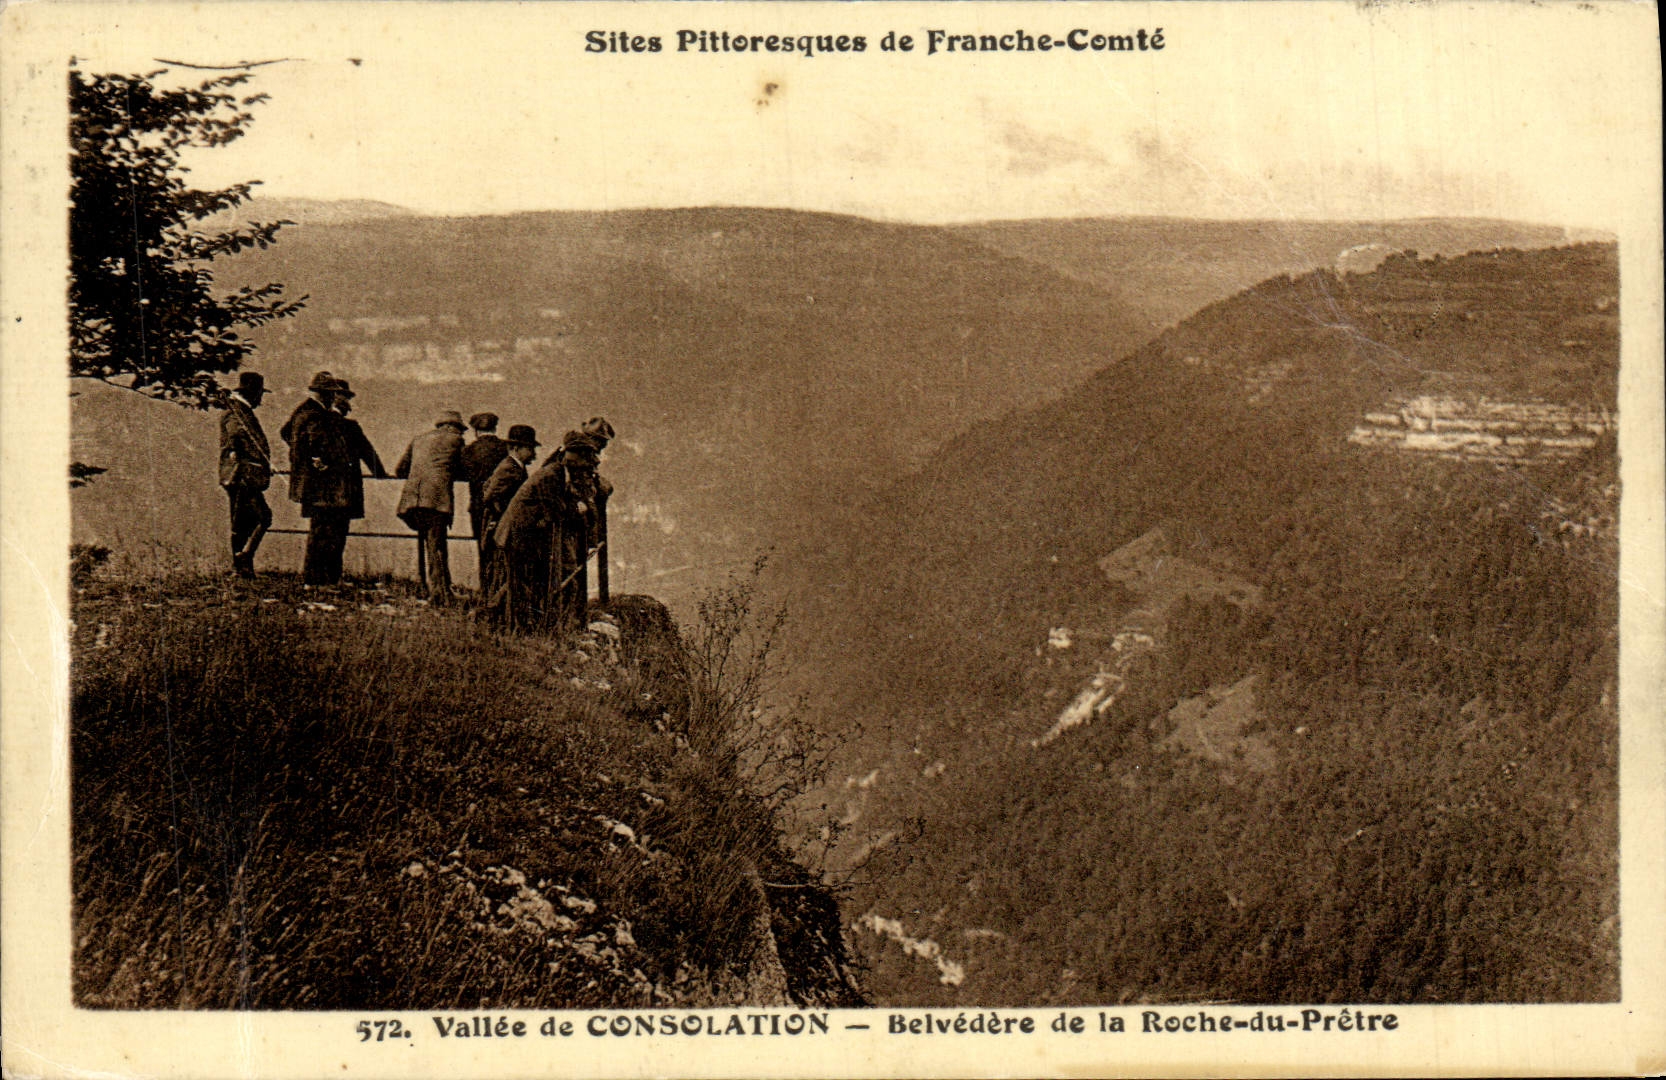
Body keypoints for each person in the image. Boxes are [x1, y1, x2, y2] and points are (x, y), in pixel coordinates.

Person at [486, 435, 596, 633]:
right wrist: (579, 509)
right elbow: (555, 508)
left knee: (520, 582)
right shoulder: (551, 475)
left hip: (523, 534)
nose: (584, 472)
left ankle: (505, 621)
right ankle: (515, 629)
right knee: (519, 584)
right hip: (516, 534)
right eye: (583, 467)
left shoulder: (558, 473)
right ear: (574, 463)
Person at [280, 371, 356, 586]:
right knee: (324, 530)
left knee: (320, 529)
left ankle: (317, 578)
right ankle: (318, 579)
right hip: (319, 482)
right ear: (324, 394)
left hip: (308, 481)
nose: (334, 398)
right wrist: (315, 459)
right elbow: (318, 442)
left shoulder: (302, 410)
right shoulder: (316, 414)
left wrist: (301, 457)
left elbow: (285, 432)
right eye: (332, 393)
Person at [395, 410, 466, 603]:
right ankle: (440, 592)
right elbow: (462, 468)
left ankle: (427, 585)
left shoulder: (419, 439)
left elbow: (400, 469)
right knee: (437, 545)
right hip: (436, 500)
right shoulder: (456, 441)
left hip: (411, 500)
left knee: (427, 541)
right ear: (454, 427)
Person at [218, 371, 273, 578]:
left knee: (245, 520)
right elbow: (236, 435)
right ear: (253, 393)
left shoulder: (240, 410)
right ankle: (242, 561)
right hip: (241, 474)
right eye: (260, 394)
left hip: (244, 473)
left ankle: (243, 565)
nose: (261, 399)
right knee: (260, 517)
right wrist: (252, 458)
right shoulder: (236, 412)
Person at [327, 380, 389, 550]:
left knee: (320, 537)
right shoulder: (350, 427)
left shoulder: (318, 420)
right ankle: (331, 576)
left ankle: (315, 576)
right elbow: (368, 453)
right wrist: (380, 473)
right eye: (346, 398)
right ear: (337, 398)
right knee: (338, 537)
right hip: (345, 491)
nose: (349, 404)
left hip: (321, 492)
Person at [461, 412, 508, 558]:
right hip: (502, 505)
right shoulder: (505, 447)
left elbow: (461, 473)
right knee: (502, 548)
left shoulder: (468, 450)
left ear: (476, 431)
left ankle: (485, 580)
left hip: (478, 505)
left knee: (483, 550)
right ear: (495, 428)